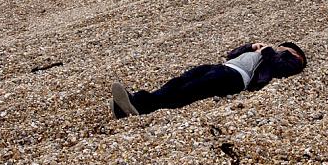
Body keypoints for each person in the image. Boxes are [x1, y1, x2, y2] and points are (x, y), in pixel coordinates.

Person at [110, 42, 307, 119]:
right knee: (179, 81)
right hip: (223, 67)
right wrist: (251, 46)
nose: (282, 47)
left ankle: (141, 108)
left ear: (294, 53)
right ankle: (134, 102)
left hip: (237, 77)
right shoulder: (268, 52)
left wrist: (267, 51)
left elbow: (283, 70)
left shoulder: (288, 60)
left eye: (287, 48)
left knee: (191, 89)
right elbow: (232, 54)